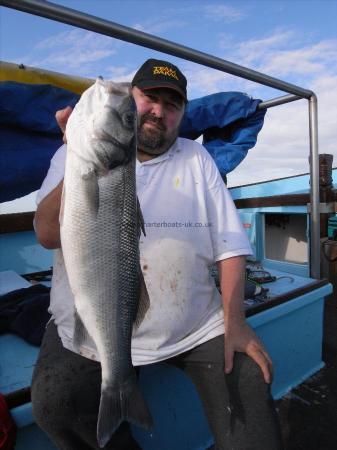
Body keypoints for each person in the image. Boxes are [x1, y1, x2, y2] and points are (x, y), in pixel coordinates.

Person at [32, 58, 283, 450]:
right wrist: (81, 160)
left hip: (193, 324)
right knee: (55, 404)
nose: (159, 111)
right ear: (132, 101)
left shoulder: (197, 159)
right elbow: (47, 235)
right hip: (94, 320)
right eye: (150, 98)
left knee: (250, 376)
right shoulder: (74, 154)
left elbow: (231, 247)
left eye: (173, 104)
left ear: (182, 114)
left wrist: (235, 322)